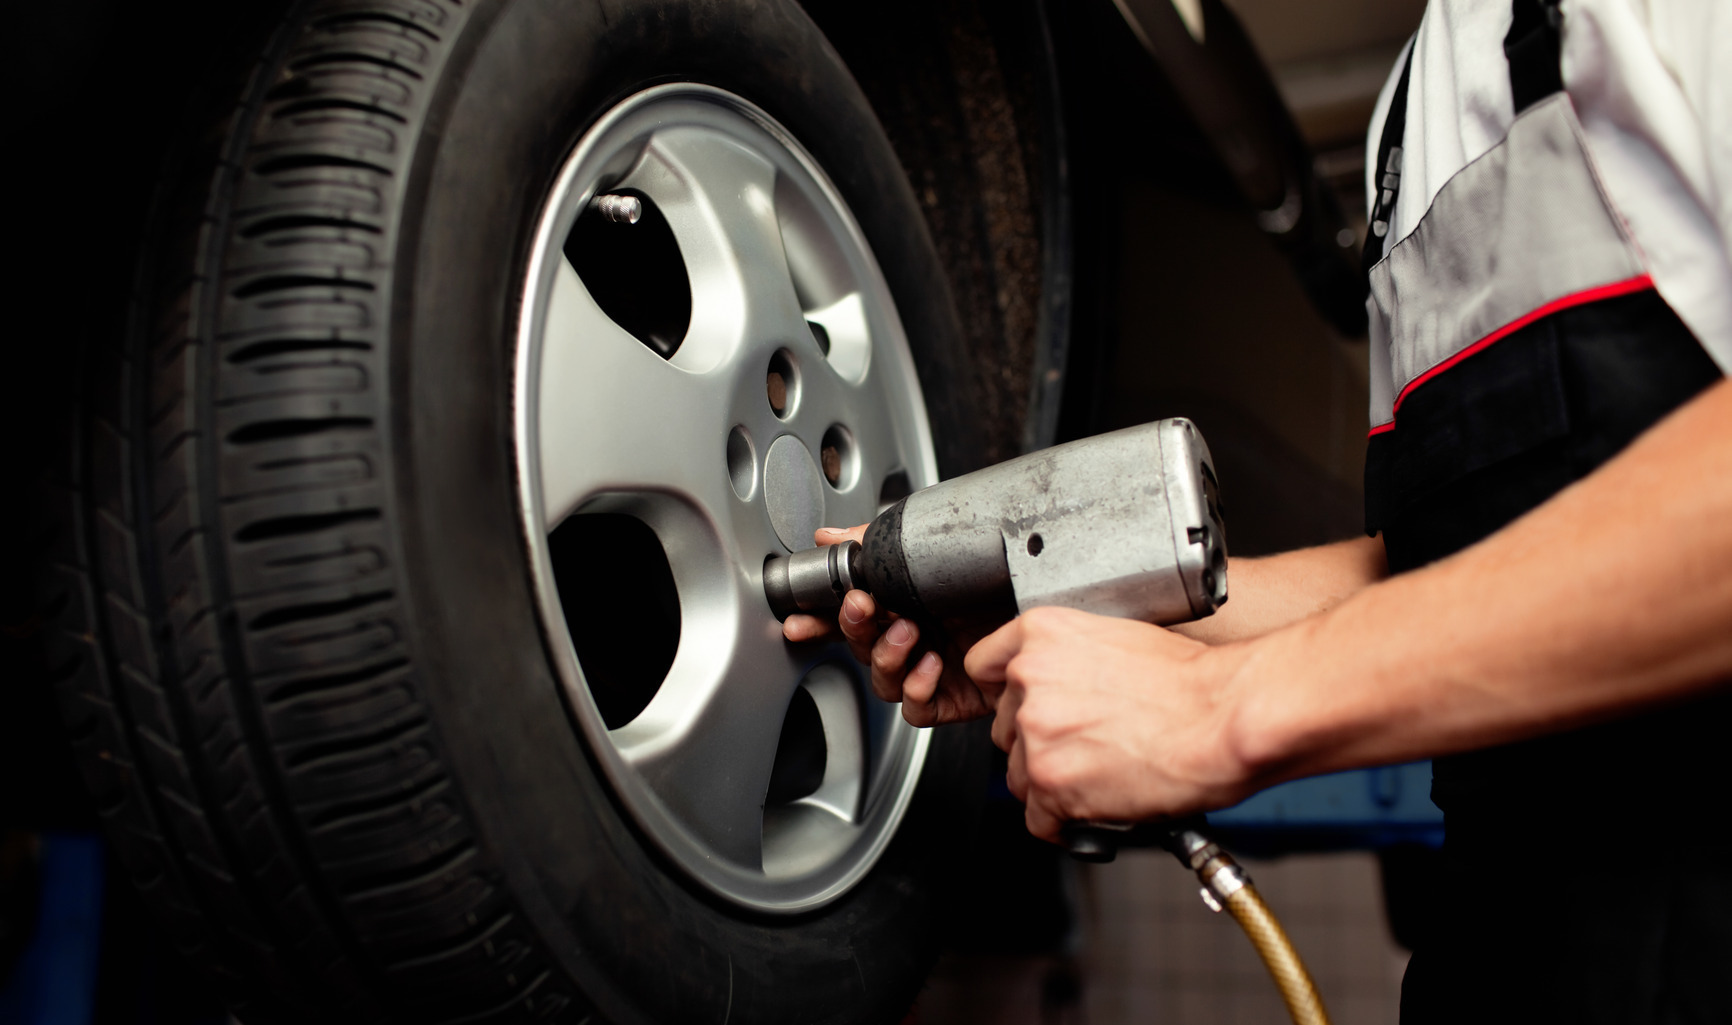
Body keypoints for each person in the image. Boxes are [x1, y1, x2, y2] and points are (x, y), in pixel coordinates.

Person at [784, 0, 1731, 1019]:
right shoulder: (1416, 108)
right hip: (1504, 955)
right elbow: (1446, 566)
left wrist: (1216, 710)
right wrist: (1041, 600)